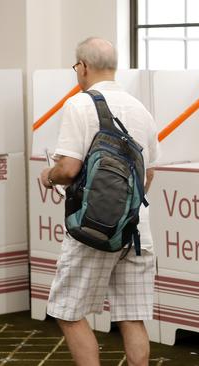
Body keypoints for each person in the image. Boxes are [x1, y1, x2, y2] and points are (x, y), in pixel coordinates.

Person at [39, 37, 159, 366]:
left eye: (76, 67)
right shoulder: (140, 109)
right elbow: (148, 175)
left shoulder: (79, 105)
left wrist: (47, 175)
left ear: (84, 67)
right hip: (135, 230)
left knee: (67, 311)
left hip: (93, 230)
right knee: (132, 317)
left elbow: (69, 169)